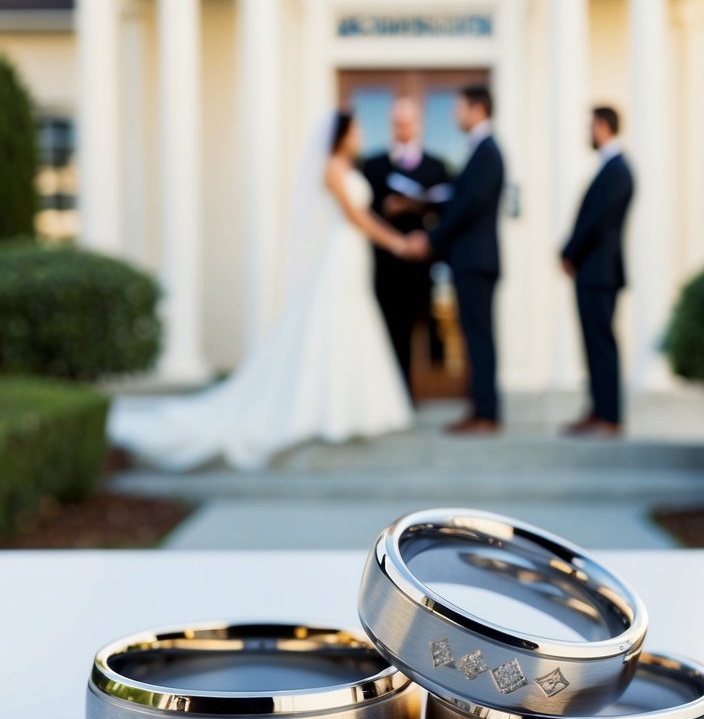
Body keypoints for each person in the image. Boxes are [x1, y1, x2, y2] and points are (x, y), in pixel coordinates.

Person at [108, 111, 414, 470]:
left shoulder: (349, 167)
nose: (361, 134)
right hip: (341, 251)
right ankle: (330, 412)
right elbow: (356, 216)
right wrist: (398, 243)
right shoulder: (332, 168)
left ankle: (357, 409)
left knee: (352, 322)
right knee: (332, 324)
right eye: (356, 129)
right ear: (342, 135)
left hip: (354, 253)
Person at [405, 85, 504, 434]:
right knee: (474, 337)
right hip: (470, 261)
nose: (454, 115)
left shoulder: (488, 152)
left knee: (479, 338)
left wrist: (431, 238)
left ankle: (486, 414)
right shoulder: (480, 151)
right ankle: (480, 410)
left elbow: (468, 206)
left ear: (478, 110)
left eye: (459, 108)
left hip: (476, 261)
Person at [363, 96, 449, 389]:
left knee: (426, 327)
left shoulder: (436, 166)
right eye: (397, 122)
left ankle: (427, 384)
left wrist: (416, 211)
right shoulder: (372, 166)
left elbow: (446, 209)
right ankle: (392, 392)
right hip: (384, 263)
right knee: (388, 328)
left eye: (408, 122)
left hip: (421, 263)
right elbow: (362, 212)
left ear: (419, 124)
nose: (403, 127)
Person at [560, 105, 634, 438]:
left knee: (602, 344)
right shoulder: (609, 168)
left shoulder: (618, 170)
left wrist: (569, 251)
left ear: (603, 126)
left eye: (590, 125)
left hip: (599, 272)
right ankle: (598, 410)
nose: (587, 132)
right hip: (593, 271)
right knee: (593, 344)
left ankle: (609, 415)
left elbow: (597, 222)